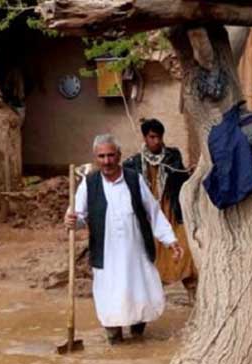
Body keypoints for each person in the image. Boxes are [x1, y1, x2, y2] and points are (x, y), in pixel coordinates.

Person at [65, 134, 183, 344]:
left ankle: (138, 337)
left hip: (135, 253)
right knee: (110, 299)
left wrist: (170, 240)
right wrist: (72, 220)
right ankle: (115, 338)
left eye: (111, 155)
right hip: (106, 254)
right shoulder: (88, 184)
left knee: (139, 295)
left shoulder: (134, 179)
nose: (107, 161)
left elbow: (153, 212)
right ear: (95, 158)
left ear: (119, 155)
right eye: (101, 156)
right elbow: (79, 216)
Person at [122, 118, 198, 302]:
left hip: (171, 211)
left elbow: (180, 179)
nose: (156, 141)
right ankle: (150, 300)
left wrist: (190, 173)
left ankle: (193, 295)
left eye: (159, 137)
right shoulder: (133, 163)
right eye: (152, 137)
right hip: (148, 217)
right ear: (145, 138)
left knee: (184, 250)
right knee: (151, 257)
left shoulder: (172, 156)